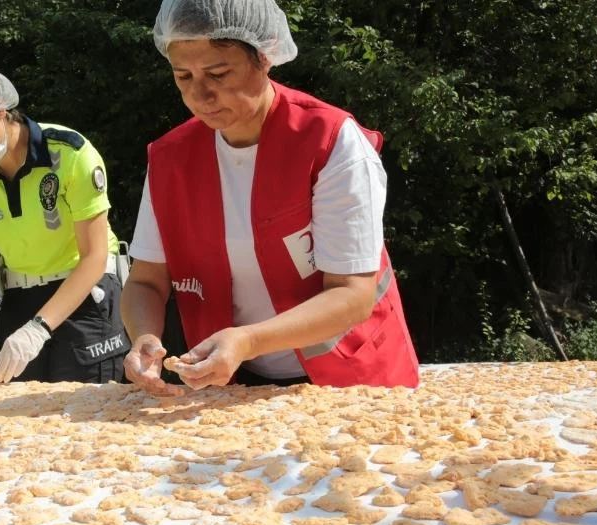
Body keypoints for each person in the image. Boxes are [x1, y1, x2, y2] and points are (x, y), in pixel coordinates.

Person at [121, 0, 420, 396]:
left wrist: (246, 340)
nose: (199, 94)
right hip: (235, 384)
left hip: (351, 379)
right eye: (183, 77)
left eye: (218, 73)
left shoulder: (327, 140)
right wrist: (144, 336)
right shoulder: (170, 159)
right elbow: (145, 282)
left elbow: (352, 294)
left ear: (264, 58)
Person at [0, 60, 129, 384]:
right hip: (19, 298)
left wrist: (39, 329)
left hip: (86, 297)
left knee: (89, 420)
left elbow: (94, 257)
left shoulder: (70, 153)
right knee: (21, 423)